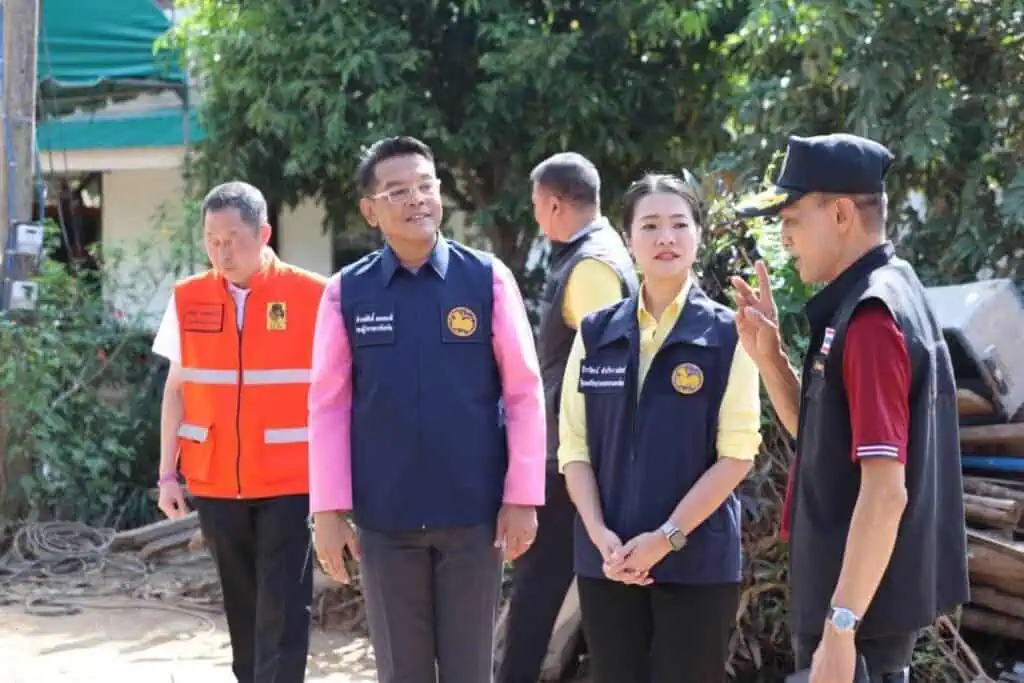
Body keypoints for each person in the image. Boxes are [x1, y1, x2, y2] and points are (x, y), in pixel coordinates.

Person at [307, 135, 546, 683]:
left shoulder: (486, 279)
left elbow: (524, 393)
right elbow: (327, 407)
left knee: (469, 671)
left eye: (425, 185)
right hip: (385, 520)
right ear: (370, 211)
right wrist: (327, 511)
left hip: (474, 516)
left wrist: (523, 496)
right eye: (397, 191)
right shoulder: (347, 293)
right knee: (403, 673)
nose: (416, 199)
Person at [731, 133, 969, 683]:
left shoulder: (870, 319)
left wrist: (841, 627)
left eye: (792, 218)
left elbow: (885, 493)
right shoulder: (881, 292)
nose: (783, 237)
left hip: (858, 622)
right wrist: (770, 361)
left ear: (840, 214)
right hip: (859, 609)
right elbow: (822, 439)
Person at [558, 173, 763, 683]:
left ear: (699, 235)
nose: (665, 238)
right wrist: (599, 534)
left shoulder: (727, 335)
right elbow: (574, 448)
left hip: (697, 565)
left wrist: (667, 537)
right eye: (649, 225)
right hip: (609, 562)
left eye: (678, 224)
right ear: (629, 240)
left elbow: (736, 456)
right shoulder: (596, 332)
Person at [152, 181, 327, 683]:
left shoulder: (312, 295)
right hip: (215, 481)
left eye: (233, 238)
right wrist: (167, 474)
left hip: (290, 481)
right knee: (242, 606)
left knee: (285, 608)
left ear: (264, 233)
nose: (221, 252)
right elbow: (176, 391)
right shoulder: (188, 298)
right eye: (212, 240)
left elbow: (338, 396)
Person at [498, 152, 638, 683]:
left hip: (572, 461)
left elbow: (603, 375)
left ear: (554, 203)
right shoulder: (600, 254)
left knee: (537, 594)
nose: (536, 218)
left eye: (537, 207)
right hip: (577, 457)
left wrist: (577, 458)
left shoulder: (590, 268)